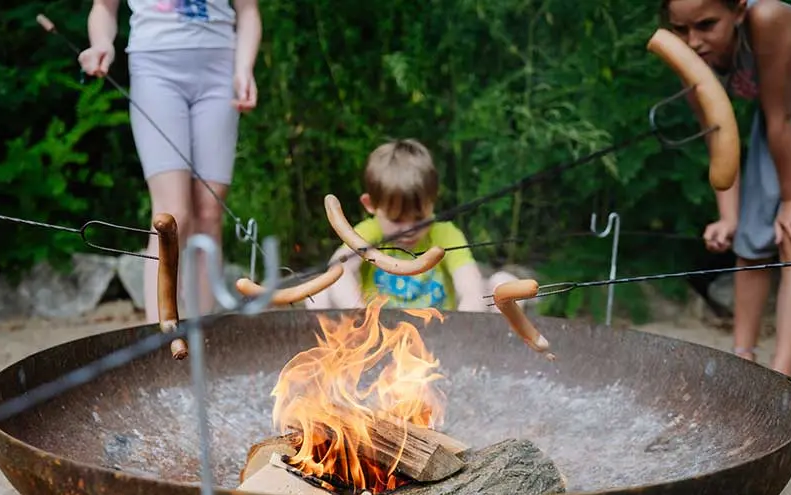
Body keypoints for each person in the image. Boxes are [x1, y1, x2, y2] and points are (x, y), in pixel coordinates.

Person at [78, 0, 262, 319]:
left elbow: (248, 11)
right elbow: (104, 8)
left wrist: (244, 68)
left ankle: (204, 333)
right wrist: (102, 44)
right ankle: (160, 331)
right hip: (155, 69)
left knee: (209, 210)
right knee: (172, 214)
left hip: (220, 67)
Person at [663, 0, 791, 375]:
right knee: (750, 241)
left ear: (739, 10)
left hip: (784, 121)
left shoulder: (767, 19)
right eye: (680, 29)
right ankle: (743, 362)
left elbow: (780, 116)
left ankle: (782, 375)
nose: (693, 41)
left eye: (706, 25)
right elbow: (718, 136)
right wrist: (729, 217)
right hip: (779, 128)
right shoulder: (690, 54)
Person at [307, 139, 517, 312]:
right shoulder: (369, 232)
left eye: (419, 218)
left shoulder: (445, 234)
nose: (409, 229)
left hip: (444, 337)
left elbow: (471, 290)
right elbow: (338, 270)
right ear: (370, 205)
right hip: (379, 336)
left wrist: (464, 322)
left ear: (433, 201)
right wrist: (360, 313)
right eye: (397, 220)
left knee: (505, 284)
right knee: (320, 289)